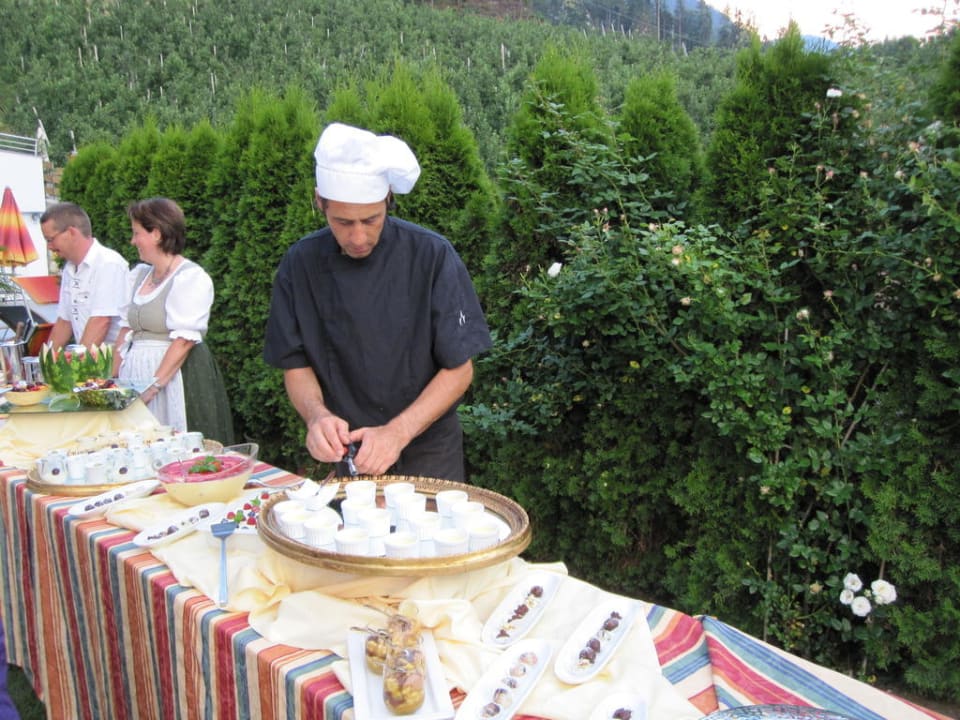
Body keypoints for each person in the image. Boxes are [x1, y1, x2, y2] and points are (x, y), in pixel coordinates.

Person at [264, 122, 492, 481]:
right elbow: (295, 363)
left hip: (429, 453)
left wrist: (397, 432)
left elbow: (460, 369)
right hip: (350, 453)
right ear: (319, 201)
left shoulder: (431, 256)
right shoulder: (300, 264)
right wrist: (317, 416)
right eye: (343, 222)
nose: (358, 237)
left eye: (371, 220)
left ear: (387, 199)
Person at [113, 198, 234, 443]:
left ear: (156, 234)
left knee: (177, 444)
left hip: (175, 378)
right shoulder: (138, 275)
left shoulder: (190, 278)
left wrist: (152, 388)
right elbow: (125, 330)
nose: (133, 241)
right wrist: (112, 380)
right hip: (136, 376)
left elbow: (183, 341)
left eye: (137, 233)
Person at [39, 202, 129, 351]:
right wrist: (46, 360)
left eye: (50, 239)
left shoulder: (108, 263)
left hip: (113, 360)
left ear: (71, 232)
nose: (49, 246)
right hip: (91, 357)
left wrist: (80, 362)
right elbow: (64, 322)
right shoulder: (69, 269)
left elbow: (101, 321)